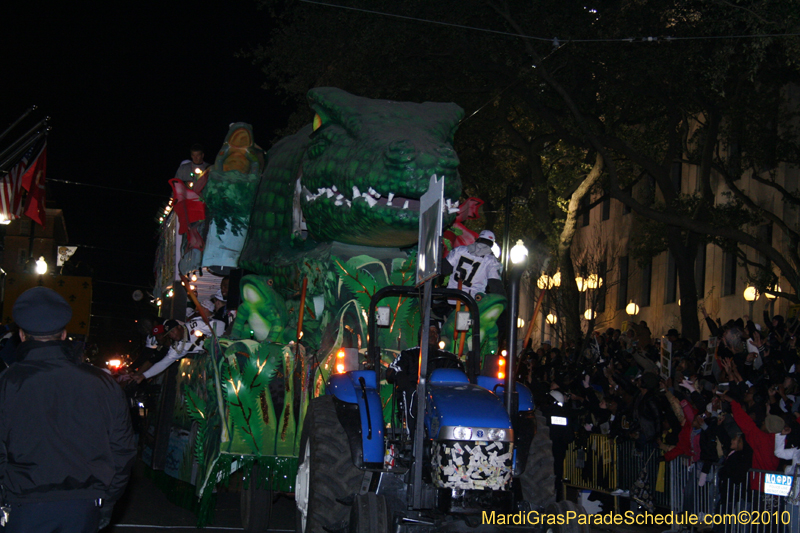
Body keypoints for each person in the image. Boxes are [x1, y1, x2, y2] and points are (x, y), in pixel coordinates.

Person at [0, 287, 136, 532]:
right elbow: (122, 450)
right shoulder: (102, 383)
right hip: (84, 505)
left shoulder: (7, 383)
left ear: (21, 335)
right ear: (64, 335)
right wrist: (107, 498)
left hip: (22, 504)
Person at [386, 322, 463, 441]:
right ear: (420, 335)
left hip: (441, 396)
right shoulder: (409, 354)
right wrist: (404, 381)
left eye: (434, 332)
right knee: (413, 393)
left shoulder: (448, 358)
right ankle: (413, 439)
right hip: (415, 395)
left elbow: (460, 374)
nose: (431, 335)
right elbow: (393, 370)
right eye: (428, 331)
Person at [132, 317, 224, 383]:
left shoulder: (195, 325)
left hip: (224, 346)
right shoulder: (178, 347)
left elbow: (220, 325)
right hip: (217, 359)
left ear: (179, 327)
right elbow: (163, 363)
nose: (172, 335)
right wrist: (144, 375)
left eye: (172, 331)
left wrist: (214, 343)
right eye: (169, 334)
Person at [442, 230, 504, 301]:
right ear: (492, 244)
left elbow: (444, 269)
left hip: (452, 297)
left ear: (478, 239)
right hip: (473, 302)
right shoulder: (492, 261)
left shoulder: (459, 250)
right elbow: (496, 287)